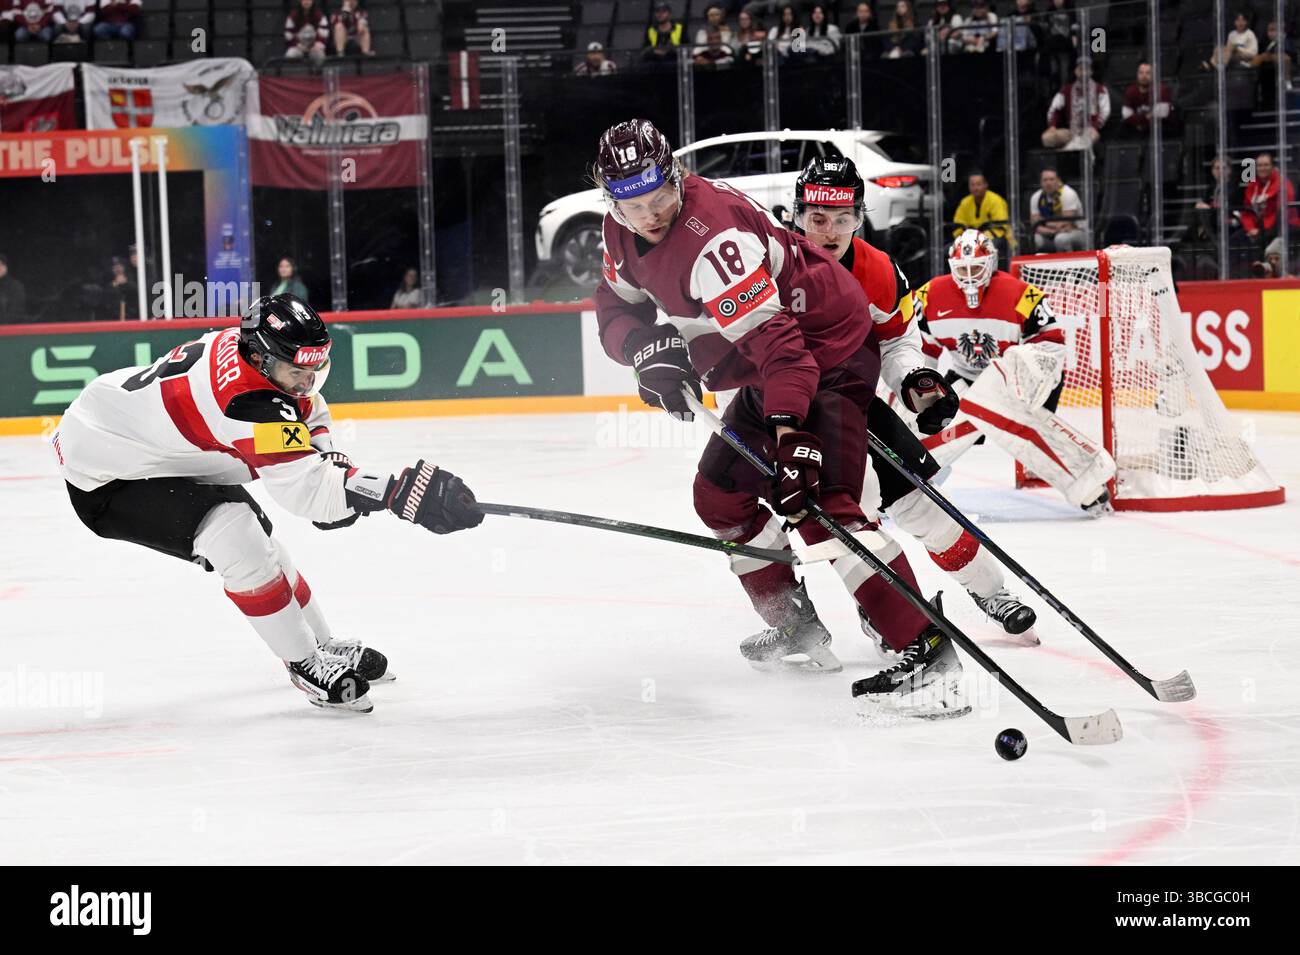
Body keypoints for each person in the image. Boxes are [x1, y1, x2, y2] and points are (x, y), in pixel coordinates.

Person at [591, 118, 966, 714]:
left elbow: (785, 352)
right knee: (719, 497)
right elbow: (614, 305)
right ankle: (794, 625)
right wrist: (644, 350)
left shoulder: (714, 243)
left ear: (676, 177)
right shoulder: (619, 231)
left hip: (828, 352)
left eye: (659, 197)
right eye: (631, 205)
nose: (649, 216)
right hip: (767, 366)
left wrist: (794, 437)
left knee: (821, 505)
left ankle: (926, 650)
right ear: (611, 200)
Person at [53, 295, 485, 712]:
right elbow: (307, 491)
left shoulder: (266, 360)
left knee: (257, 540)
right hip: (107, 474)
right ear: (261, 360)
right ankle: (304, 664)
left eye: (312, 369)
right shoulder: (247, 404)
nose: (306, 380)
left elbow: (306, 408)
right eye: (295, 371)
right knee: (235, 536)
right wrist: (396, 492)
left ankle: (319, 644)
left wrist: (333, 460)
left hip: (143, 442)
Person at [790, 157, 1036, 636]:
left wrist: (919, 379)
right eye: (818, 219)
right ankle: (883, 613)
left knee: (924, 506)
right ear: (797, 215)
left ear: (860, 217)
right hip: (792, 417)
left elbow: (896, 342)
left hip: (857, 403)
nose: (830, 231)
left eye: (843, 218)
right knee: (852, 515)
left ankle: (990, 592)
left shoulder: (878, 270)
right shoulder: (775, 264)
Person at [909, 231, 1115, 514]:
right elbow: (920, 354)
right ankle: (908, 474)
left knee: (994, 403)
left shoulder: (1020, 294)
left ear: (991, 264)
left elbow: (1051, 344)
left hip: (1018, 377)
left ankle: (1087, 478)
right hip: (966, 378)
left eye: (976, 268)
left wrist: (1019, 377)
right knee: (942, 415)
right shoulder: (929, 296)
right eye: (963, 269)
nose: (969, 276)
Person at [1042, 58, 1110, 150]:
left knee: (1088, 138)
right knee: (1047, 138)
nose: (1084, 73)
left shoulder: (1100, 90)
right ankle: (1071, 146)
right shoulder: (1066, 90)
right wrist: (1052, 126)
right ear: (1076, 71)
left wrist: (1095, 127)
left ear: (1091, 72)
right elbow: (1054, 109)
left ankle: (1071, 149)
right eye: (1081, 69)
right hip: (1071, 132)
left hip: (1091, 132)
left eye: (1086, 69)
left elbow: (1105, 112)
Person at [1240, 152, 1300, 253]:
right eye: (1259, 165)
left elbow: (1283, 211)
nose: (1262, 168)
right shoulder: (1252, 186)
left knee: (1265, 239)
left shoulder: (1282, 182)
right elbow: (1247, 211)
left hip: (1281, 225)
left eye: (1266, 165)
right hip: (1259, 228)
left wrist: (1261, 229)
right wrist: (1251, 228)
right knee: (1235, 239)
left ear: (1272, 167)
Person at [1029, 167, 1088, 251]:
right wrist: (1051, 231)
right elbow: (1035, 225)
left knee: (1061, 239)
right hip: (1050, 233)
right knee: (1035, 239)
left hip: (1076, 231)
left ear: (1058, 181)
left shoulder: (1068, 193)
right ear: (1041, 183)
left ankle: (1069, 264)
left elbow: (1065, 223)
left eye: (1051, 179)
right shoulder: (1036, 197)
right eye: (1045, 180)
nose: (1048, 183)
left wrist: (1043, 221)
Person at [1119, 60, 1176, 138]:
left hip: (1159, 129)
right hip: (1137, 128)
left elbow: (1161, 115)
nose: (1144, 76)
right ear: (1137, 75)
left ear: (1153, 75)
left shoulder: (1161, 90)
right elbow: (1126, 116)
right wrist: (1146, 117)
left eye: (1148, 73)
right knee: (1122, 129)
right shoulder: (1130, 91)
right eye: (1141, 73)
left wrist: (1139, 120)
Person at [952, 171, 1010, 243]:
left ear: (986, 185)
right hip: (970, 241)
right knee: (948, 250)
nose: (975, 188)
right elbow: (958, 225)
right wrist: (966, 237)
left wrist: (980, 238)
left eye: (978, 184)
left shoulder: (995, 200)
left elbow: (1001, 226)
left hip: (993, 239)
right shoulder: (965, 202)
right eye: (972, 185)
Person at [0, 253, 27, 324]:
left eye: (2, 264)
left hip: (10, 330)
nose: (0, 267)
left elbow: (16, 312)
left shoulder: (16, 286)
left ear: (6, 267)